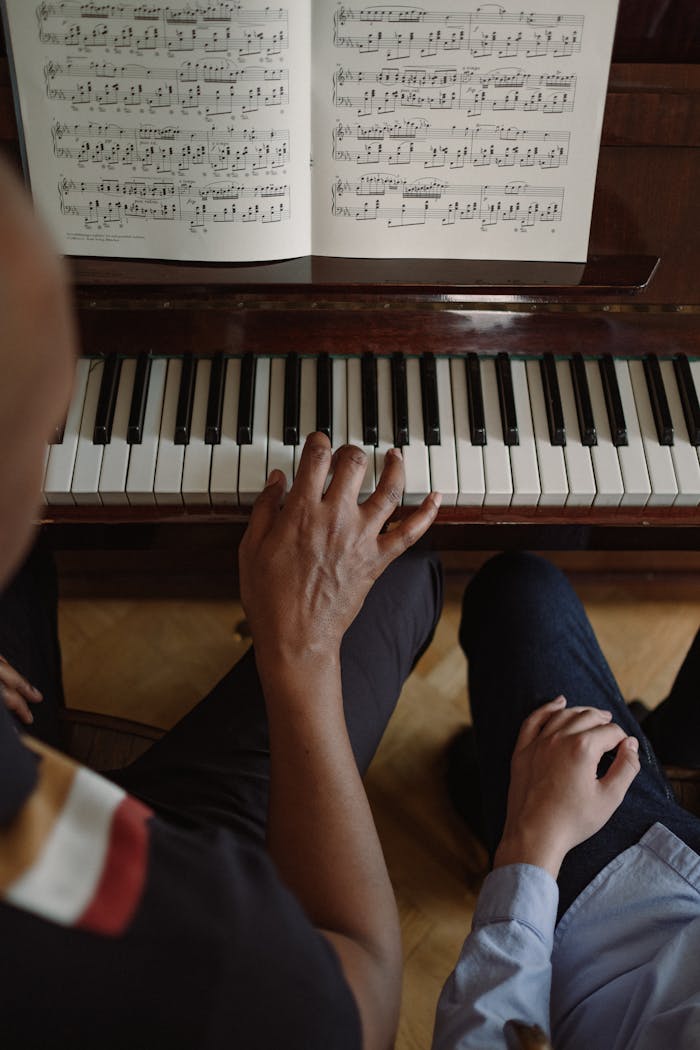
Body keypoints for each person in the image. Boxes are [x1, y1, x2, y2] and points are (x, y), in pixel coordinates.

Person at [0, 157, 444, 1049]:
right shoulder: (218, 966)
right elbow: (366, 994)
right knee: (398, 567)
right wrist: (302, 652)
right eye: (45, 433)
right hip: (92, 921)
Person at [432, 552, 700, 1049]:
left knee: (520, 594)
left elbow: (489, 1035)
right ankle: (652, 745)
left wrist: (529, 844)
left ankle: (491, 794)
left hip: (621, 947)